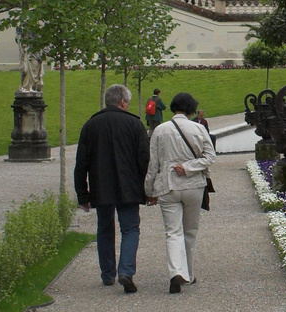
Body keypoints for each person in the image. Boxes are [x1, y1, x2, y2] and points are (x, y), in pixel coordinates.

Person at [74, 84, 151, 292]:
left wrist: (82, 193)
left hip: (101, 187)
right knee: (130, 228)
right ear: (123, 102)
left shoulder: (91, 125)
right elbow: (144, 160)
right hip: (129, 187)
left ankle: (108, 273)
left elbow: (81, 162)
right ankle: (126, 271)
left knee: (105, 229)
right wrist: (148, 189)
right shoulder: (134, 124)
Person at [146, 92, 216, 293]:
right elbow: (210, 157)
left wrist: (149, 190)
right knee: (190, 231)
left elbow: (153, 164)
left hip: (168, 186)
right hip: (193, 185)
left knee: (172, 232)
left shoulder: (160, 130)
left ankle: (177, 271)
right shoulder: (198, 128)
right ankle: (189, 273)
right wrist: (189, 167)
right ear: (191, 109)